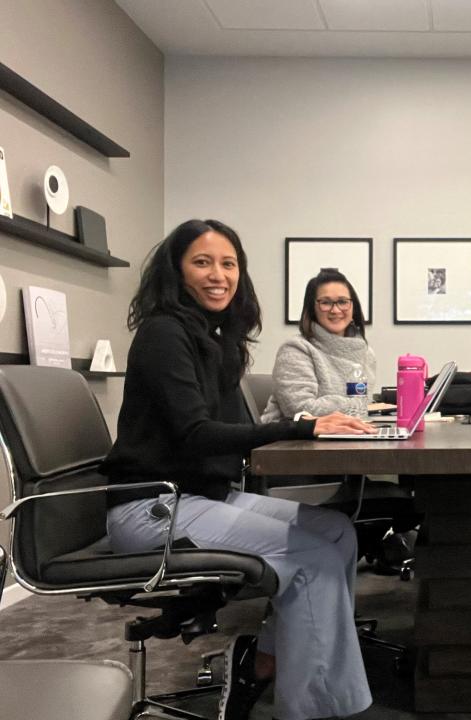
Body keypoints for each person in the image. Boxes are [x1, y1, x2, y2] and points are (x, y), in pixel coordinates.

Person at [100, 219, 377, 720]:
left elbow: (223, 434)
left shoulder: (215, 338)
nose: (218, 275)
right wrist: (300, 427)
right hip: (154, 508)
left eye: (228, 264)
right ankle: (318, 709)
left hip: (201, 497)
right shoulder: (163, 333)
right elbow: (196, 434)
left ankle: (263, 662)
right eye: (202, 262)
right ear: (176, 271)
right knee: (312, 557)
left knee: (337, 532)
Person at [260, 269, 376, 421]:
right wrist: (355, 405)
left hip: (346, 436)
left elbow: (363, 407)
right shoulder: (295, 350)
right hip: (292, 441)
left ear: (353, 307)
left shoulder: (366, 353)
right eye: (326, 303)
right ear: (312, 308)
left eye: (342, 302)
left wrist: (358, 407)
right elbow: (300, 410)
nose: (335, 310)